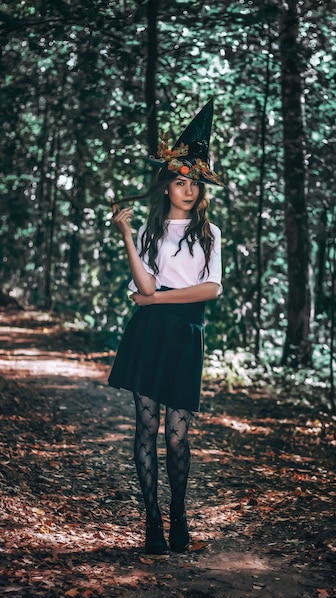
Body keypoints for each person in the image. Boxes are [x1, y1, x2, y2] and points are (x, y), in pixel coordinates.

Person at [108, 99, 223, 555]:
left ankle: (180, 516)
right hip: (148, 335)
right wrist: (126, 236)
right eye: (180, 181)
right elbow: (144, 283)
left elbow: (210, 290)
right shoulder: (151, 232)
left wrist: (157, 299)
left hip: (183, 334)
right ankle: (152, 523)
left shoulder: (209, 233)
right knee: (145, 427)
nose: (188, 189)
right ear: (166, 187)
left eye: (194, 182)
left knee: (178, 435)